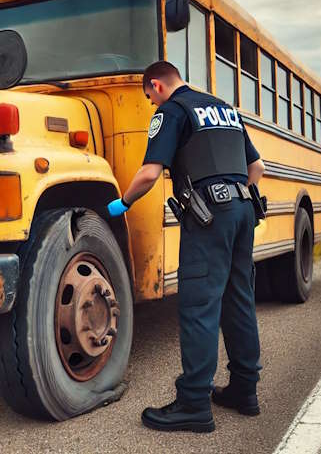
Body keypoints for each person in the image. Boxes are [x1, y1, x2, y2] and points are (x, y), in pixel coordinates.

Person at [107, 60, 265, 433]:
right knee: (238, 299)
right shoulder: (224, 109)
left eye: (149, 97)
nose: (151, 104)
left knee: (199, 305)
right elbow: (256, 166)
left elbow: (149, 172)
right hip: (244, 210)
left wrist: (122, 203)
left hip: (209, 216)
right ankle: (245, 391)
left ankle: (194, 403)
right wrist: (238, 197)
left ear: (157, 86)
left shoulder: (173, 111)